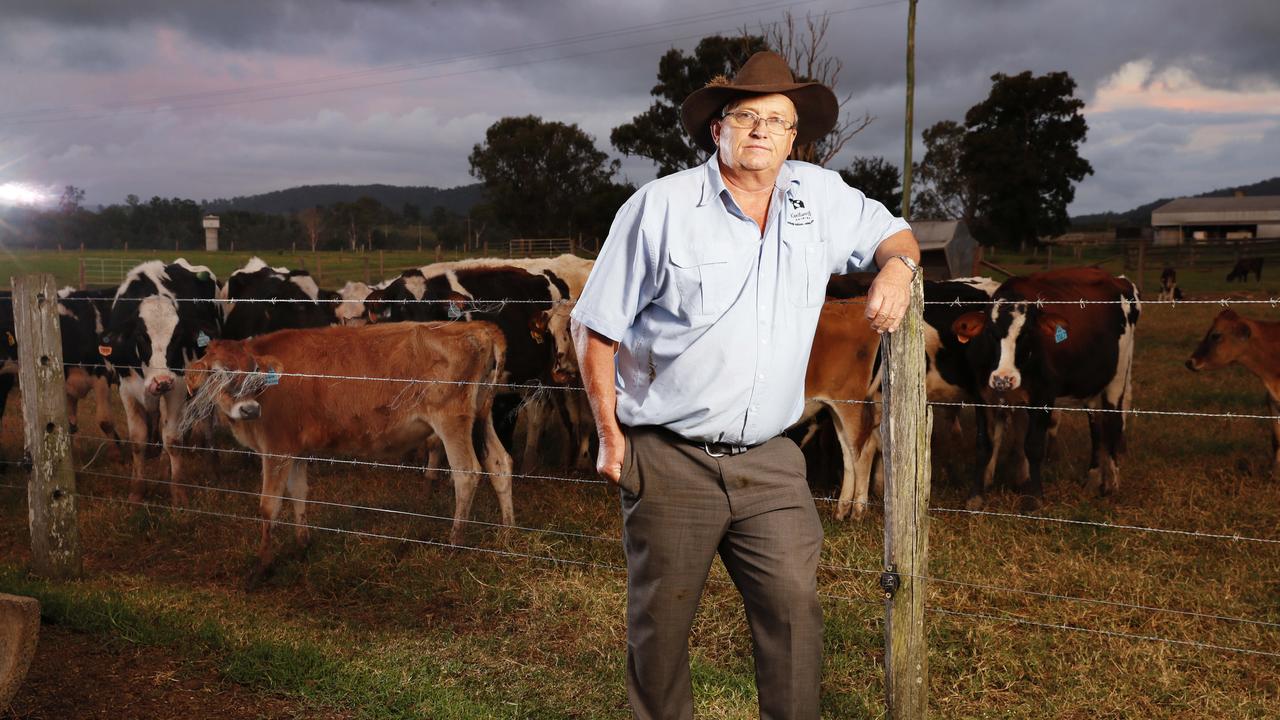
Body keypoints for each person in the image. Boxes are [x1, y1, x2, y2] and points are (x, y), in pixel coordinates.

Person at [570, 50, 920, 720]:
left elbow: (894, 234)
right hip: (670, 458)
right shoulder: (660, 208)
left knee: (794, 615)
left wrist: (898, 269)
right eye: (746, 117)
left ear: (795, 138)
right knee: (662, 632)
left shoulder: (820, 198)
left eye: (778, 121)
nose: (762, 131)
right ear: (717, 130)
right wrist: (610, 435)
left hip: (772, 461)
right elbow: (595, 329)